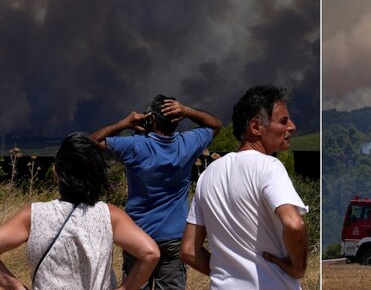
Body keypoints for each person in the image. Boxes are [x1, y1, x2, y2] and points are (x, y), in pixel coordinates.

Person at [180, 85, 308, 289]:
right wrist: (298, 269)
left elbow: (188, 250)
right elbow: (294, 224)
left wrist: (227, 275)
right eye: (283, 121)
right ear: (256, 127)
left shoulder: (208, 174)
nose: (292, 127)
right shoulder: (269, 166)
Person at [90, 95, 222, 289]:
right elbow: (216, 125)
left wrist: (126, 122)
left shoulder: (135, 146)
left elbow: (90, 142)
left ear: (149, 119)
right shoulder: (188, 143)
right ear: (176, 120)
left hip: (138, 236)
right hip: (174, 237)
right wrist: (187, 111)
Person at [0, 132, 160, 290]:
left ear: (56, 174)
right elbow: (150, 253)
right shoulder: (109, 215)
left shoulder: (34, 215)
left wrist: (14, 286)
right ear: (95, 176)